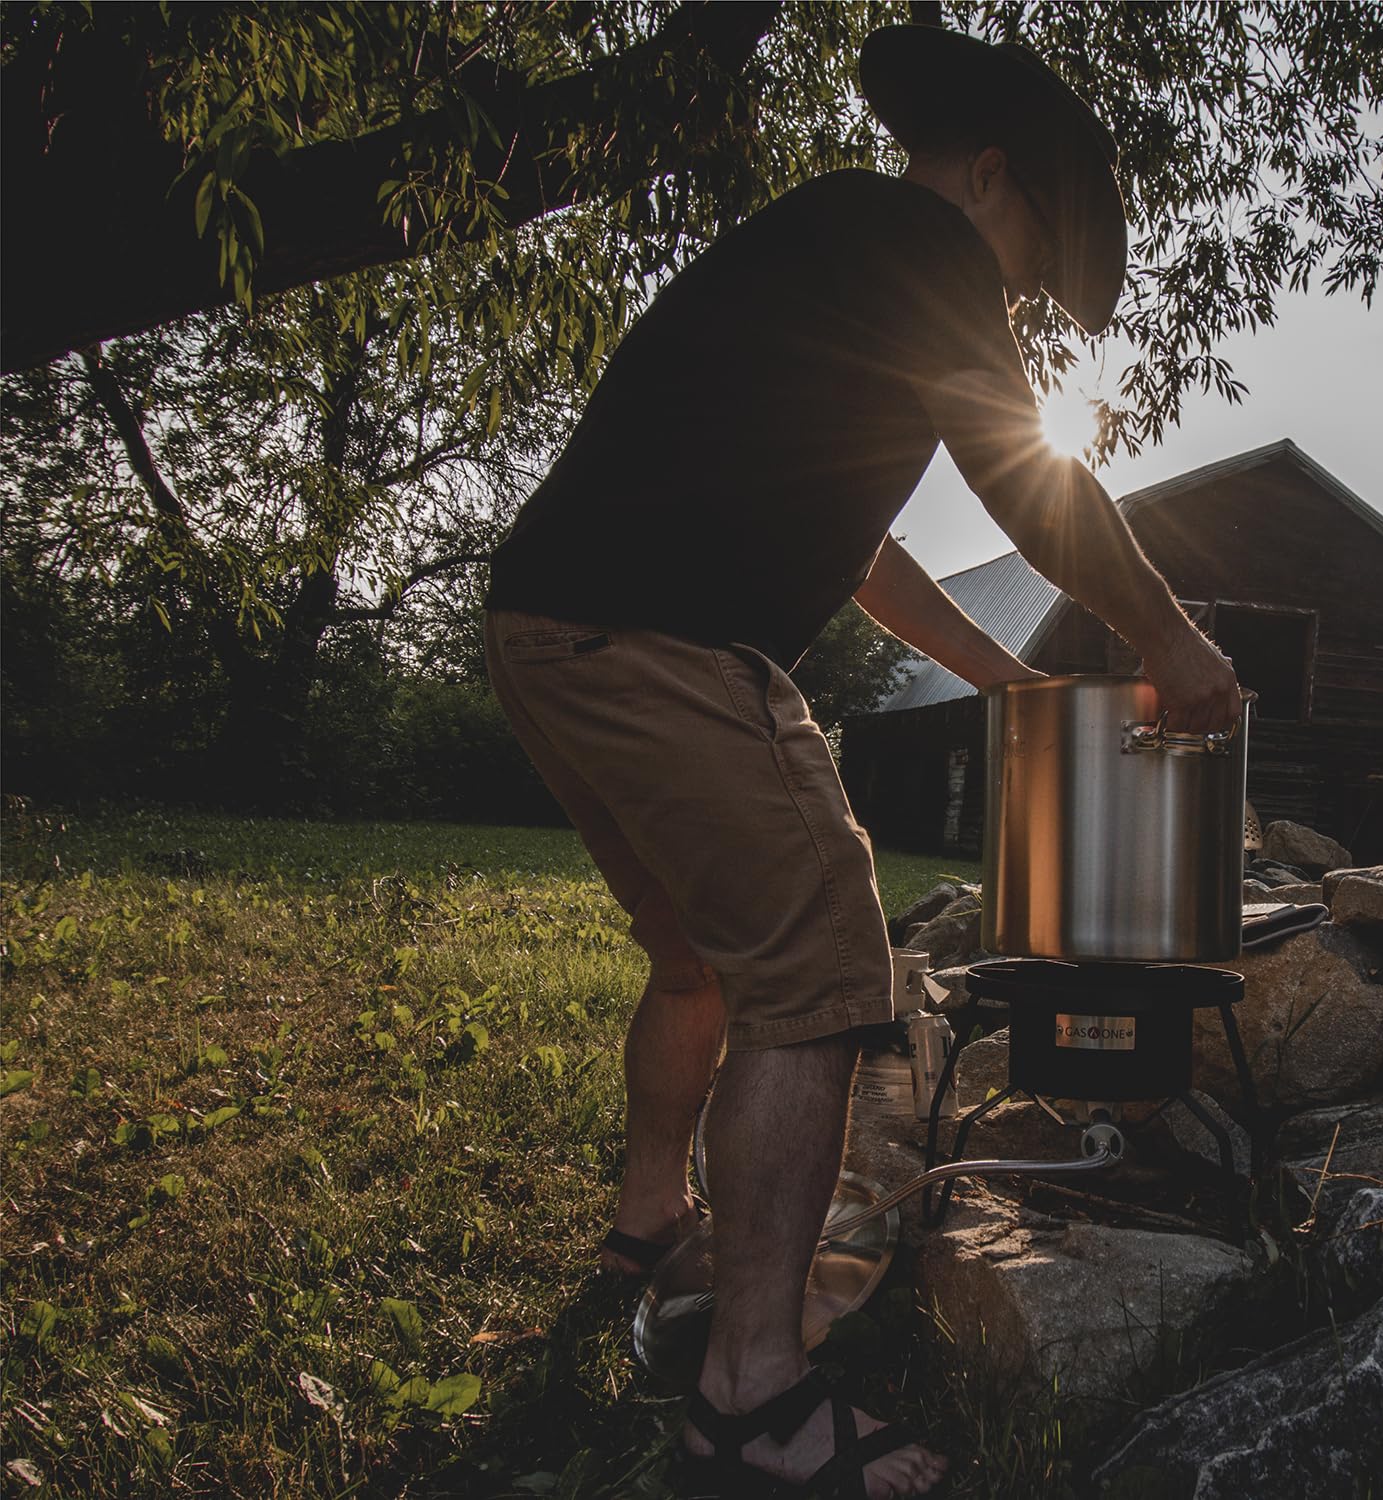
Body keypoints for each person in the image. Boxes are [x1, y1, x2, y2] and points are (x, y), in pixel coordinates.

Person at [483, 25, 1240, 1499]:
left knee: (704, 958)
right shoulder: (915, 240)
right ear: (990, 174)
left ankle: (653, 1226)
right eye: (1030, 255)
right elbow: (1031, 471)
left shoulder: (828, 263)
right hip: (663, 635)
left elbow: (871, 559)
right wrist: (1172, 642)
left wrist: (1010, 680)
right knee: (828, 958)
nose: (1016, 292)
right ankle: (753, 1399)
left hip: (550, 620)